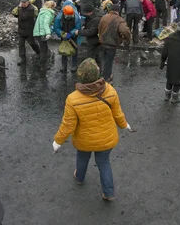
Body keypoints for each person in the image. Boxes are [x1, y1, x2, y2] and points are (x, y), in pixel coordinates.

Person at [53, 59, 133, 201]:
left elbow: (68, 125)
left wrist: (58, 141)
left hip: (85, 140)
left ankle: (79, 177)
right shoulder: (110, 90)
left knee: (82, 158)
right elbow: (118, 113)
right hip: (107, 138)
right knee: (104, 162)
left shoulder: (72, 99)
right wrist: (124, 124)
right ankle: (108, 193)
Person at [98, 4, 131, 82]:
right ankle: (106, 78)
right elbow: (125, 31)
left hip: (102, 42)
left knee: (103, 60)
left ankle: (101, 75)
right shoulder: (119, 20)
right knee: (108, 62)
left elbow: (99, 28)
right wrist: (126, 38)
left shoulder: (104, 17)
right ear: (118, 11)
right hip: (111, 44)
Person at [12, 0, 41, 66]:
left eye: (24, 2)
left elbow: (23, 17)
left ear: (28, 2)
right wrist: (18, 9)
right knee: (21, 45)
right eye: (22, 2)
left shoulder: (31, 9)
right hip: (21, 29)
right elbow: (15, 14)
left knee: (32, 43)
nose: (23, 4)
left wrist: (19, 8)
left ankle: (38, 52)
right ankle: (22, 58)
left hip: (29, 30)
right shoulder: (21, 7)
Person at [53, 3, 82, 73]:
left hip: (73, 35)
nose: (69, 17)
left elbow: (78, 27)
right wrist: (62, 34)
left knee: (74, 50)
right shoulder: (58, 18)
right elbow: (56, 28)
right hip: (64, 34)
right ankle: (64, 66)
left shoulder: (77, 17)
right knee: (63, 49)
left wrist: (71, 34)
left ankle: (74, 65)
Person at [77, 3, 103, 67]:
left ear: (90, 12)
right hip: (94, 40)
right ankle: (99, 70)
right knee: (96, 57)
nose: (85, 14)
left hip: (94, 40)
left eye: (86, 13)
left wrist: (79, 32)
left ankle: (91, 72)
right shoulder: (92, 16)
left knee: (91, 57)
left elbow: (91, 32)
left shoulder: (96, 19)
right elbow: (88, 23)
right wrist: (84, 25)